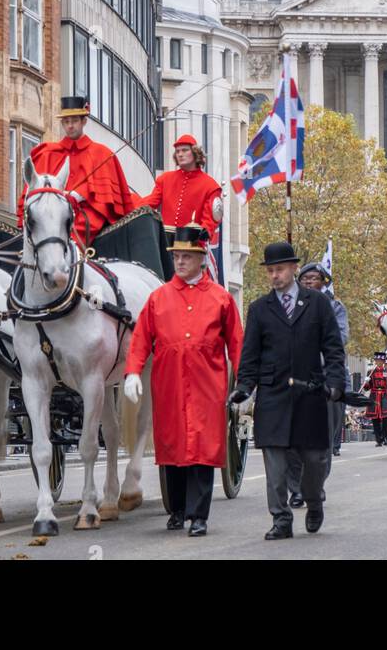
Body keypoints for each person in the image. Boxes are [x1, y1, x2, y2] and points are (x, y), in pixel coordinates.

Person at [123, 221, 243, 537]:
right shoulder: (158, 298)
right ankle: (176, 509)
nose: (179, 262)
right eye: (176, 256)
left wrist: (244, 384)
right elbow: (140, 338)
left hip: (207, 385)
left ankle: (198, 515)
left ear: (202, 257)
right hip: (169, 385)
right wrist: (133, 371)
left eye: (186, 257)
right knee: (173, 448)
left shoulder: (221, 299)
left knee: (202, 449)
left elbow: (237, 342)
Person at [230, 241, 346, 540]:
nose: (274, 276)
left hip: (311, 393)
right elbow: (250, 355)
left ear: (294, 269)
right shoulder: (259, 309)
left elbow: (333, 348)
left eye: (279, 269)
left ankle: (314, 500)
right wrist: (244, 387)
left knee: (315, 460)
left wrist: (334, 382)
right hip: (273, 395)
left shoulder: (318, 304)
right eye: (270, 271)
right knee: (276, 463)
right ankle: (281, 518)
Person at [17, 96, 137, 247]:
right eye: (66, 122)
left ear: (83, 121)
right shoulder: (47, 153)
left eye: (74, 121)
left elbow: (104, 196)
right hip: (50, 215)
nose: (70, 126)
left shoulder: (102, 154)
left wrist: (78, 195)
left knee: (78, 229)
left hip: (85, 216)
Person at [286, 260, 349, 507]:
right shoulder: (287, 305)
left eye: (314, 278)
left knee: (323, 440)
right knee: (291, 440)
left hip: (326, 378)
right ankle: (296, 490)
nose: (309, 282)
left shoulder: (335, 307)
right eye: (305, 278)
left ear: (324, 282)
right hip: (295, 380)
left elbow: (340, 338)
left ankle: (316, 485)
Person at [138, 134, 223, 246]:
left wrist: (205, 230)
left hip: (191, 245)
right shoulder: (165, 179)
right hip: (165, 243)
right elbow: (150, 202)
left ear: (195, 153)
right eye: (177, 152)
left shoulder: (210, 186)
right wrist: (128, 206)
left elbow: (210, 219)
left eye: (184, 150)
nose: (180, 154)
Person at [363, 353, 387, 445]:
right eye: (377, 361)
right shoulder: (371, 372)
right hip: (374, 395)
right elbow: (366, 388)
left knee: (386, 419)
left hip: (384, 396)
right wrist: (366, 382)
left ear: (384, 362)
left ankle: (386, 437)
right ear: (375, 361)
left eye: (381, 361)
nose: (379, 363)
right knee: (375, 419)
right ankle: (378, 439)